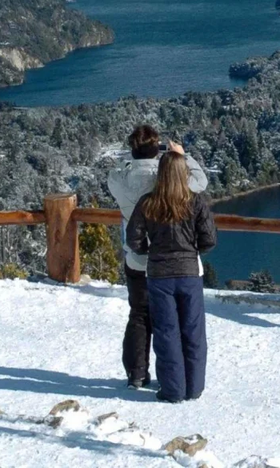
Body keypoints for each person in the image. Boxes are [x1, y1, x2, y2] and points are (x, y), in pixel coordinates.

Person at [107, 124, 208, 389]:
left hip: (137, 256)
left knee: (139, 314)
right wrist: (182, 156)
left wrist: (130, 160)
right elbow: (201, 182)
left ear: (133, 149)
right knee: (175, 323)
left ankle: (137, 374)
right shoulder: (170, 179)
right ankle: (181, 380)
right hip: (171, 261)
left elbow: (113, 175)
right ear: (157, 149)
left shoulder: (120, 180)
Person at [127, 151, 216, 403]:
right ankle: (194, 387)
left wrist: (150, 250)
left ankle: (172, 390)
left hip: (159, 275)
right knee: (193, 331)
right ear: (184, 173)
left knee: (166, 332)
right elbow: (209, 239)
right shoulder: (196, 202)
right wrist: (192, 249)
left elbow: (133, 239)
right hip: (189, 274)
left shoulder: (148, 202)